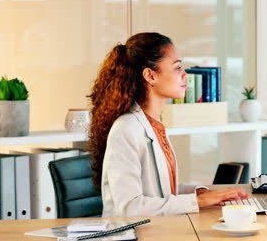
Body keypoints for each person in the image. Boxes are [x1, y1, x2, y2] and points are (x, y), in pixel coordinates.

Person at [88, 32, 248, 216]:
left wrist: (202, 193)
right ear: (150, 76)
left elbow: (161, 190)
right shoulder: (126, 129)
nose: (185, 75)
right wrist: (199, 201)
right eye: (177, 67)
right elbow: (128, 208)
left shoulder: (154, 124)